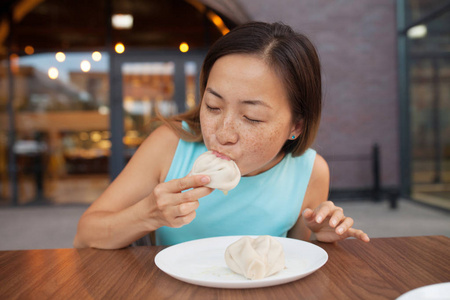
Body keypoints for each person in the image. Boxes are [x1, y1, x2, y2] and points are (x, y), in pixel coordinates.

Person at [73, 21, 370, 249]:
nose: (223, 134)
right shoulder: (171, 145)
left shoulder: (310, 171)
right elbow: (85, 236)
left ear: (297, 126)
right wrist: (148, 214)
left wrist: (322, 239)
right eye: (213, 106)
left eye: (251, 117)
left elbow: (293, 260)